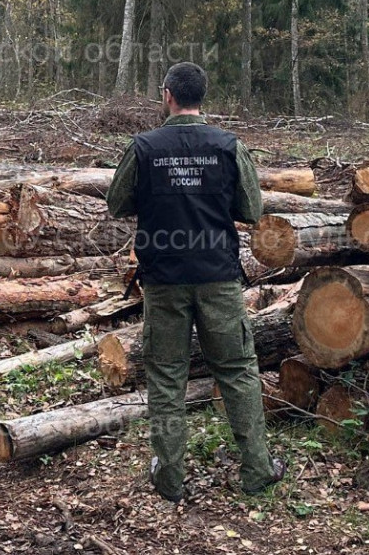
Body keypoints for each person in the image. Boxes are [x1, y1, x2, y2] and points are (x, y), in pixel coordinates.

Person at [107, 62, 285, 502]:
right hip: (217, 278)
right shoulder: (227, 145)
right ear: (202, 97)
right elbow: (251, 209)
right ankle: (258, 471)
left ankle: (169, 478)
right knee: (238, 372)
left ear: (167, 94)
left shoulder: (144, 147)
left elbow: (116, 203)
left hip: (164, 280)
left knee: (167, 377)